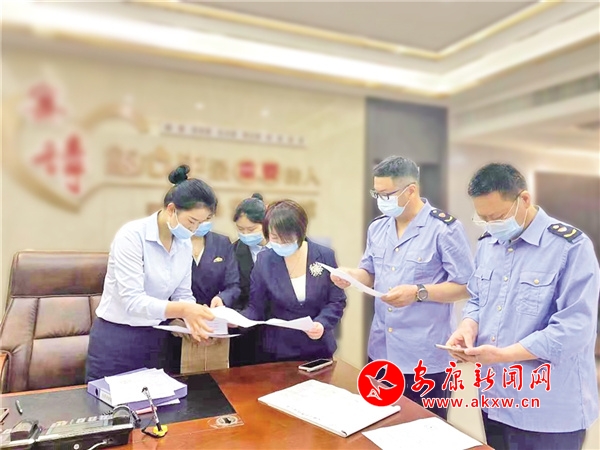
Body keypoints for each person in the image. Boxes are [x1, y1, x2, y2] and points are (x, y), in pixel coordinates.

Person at [446, 163, 599, 450]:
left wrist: (504, 355)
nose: (491, 225)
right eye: (483, 219)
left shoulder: (571, 247)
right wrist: (467, 326)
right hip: (495, 398)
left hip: (548, 409)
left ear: (524, 199)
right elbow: (477, 298)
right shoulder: (489, 244)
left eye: (497, 217)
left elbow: (574, 328)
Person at [330, 156, 474, 419]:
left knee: (423, 430)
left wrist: (418, 293)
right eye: (377, 193)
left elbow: (466, 286)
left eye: (387, 194)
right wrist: (351, 276)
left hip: (424, 357)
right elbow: (370, 273)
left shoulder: (444, 229)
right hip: (381, 351)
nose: (381, 200)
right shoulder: (378, 228)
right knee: (379, 424)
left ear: (411, 190)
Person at [86, 165, 216, 381]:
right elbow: (132, 301)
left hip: (155, 338)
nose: (194, 230)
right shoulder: (131, 236)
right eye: (192, 221)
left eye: (201, 223)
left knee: (157, 401)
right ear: (171, 209)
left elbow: (183, 294)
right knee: (109, 401)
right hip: (117, 339)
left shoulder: (183, 244)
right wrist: (184, 310)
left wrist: (194, 322)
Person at [241, 199, 346, 362]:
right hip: (278, 352)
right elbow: (256, 307)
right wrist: (235, 320)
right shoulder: (264, 261)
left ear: (301, 232)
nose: (281, 243)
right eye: (275, 238)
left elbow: (336, 301)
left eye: (287, 238)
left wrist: (322, 323)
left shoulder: (324, 255)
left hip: (319, 349)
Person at [167, 192, 241, 373]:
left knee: (217, 380)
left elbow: (234, 285)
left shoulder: (222, 243)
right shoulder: (172, 242)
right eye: (195, 220)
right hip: (179, 326)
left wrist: (222, 299)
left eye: (207, 219)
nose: (200, 224)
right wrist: (175, 316)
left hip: (214, 324)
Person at [230, 193, 269, 366]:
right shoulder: (232, 251)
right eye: (240, 229)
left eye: (251, 229)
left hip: (280, 332)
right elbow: (232, 288)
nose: (245, 234)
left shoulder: (283, 248)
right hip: (245, 336)